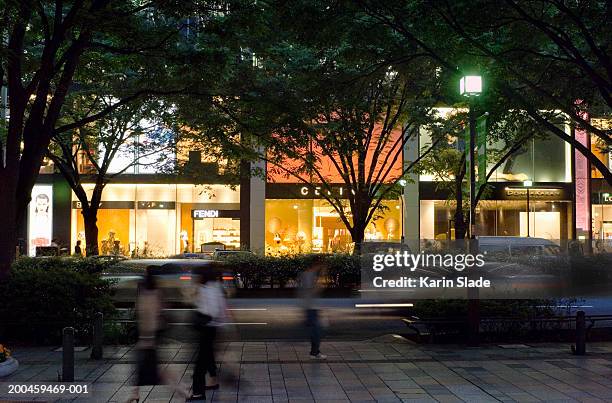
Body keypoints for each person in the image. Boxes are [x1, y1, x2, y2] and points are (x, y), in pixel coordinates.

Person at [130, 267, 187, 402]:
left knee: (156, 367)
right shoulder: (157, 291)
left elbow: (147, 315)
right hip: (154, 332)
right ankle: (135, 393)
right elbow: (161, 311)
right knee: (144, 364)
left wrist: (146, 337)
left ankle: (182, 390)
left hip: (149, 334)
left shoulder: (146, 292)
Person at [189, 265, 228, 401]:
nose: (195, 278)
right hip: (212, 328)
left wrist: (203, 316)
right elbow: (220, 309)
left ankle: (198, 392)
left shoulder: (206, 288)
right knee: (208, 356)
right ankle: (213, 380)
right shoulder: (214, 286)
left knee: (200, 363)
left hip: (207, 327)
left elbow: (212, 310)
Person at [299, 257, 327, 359]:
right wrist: (320, 283)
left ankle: (315, 351)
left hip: (312, 306)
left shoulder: (310, 275)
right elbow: (311, 292)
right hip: (310, 307)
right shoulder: (308, 275)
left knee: (316, 330)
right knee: (317, 330)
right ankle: (314, 352)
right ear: (317, 265)